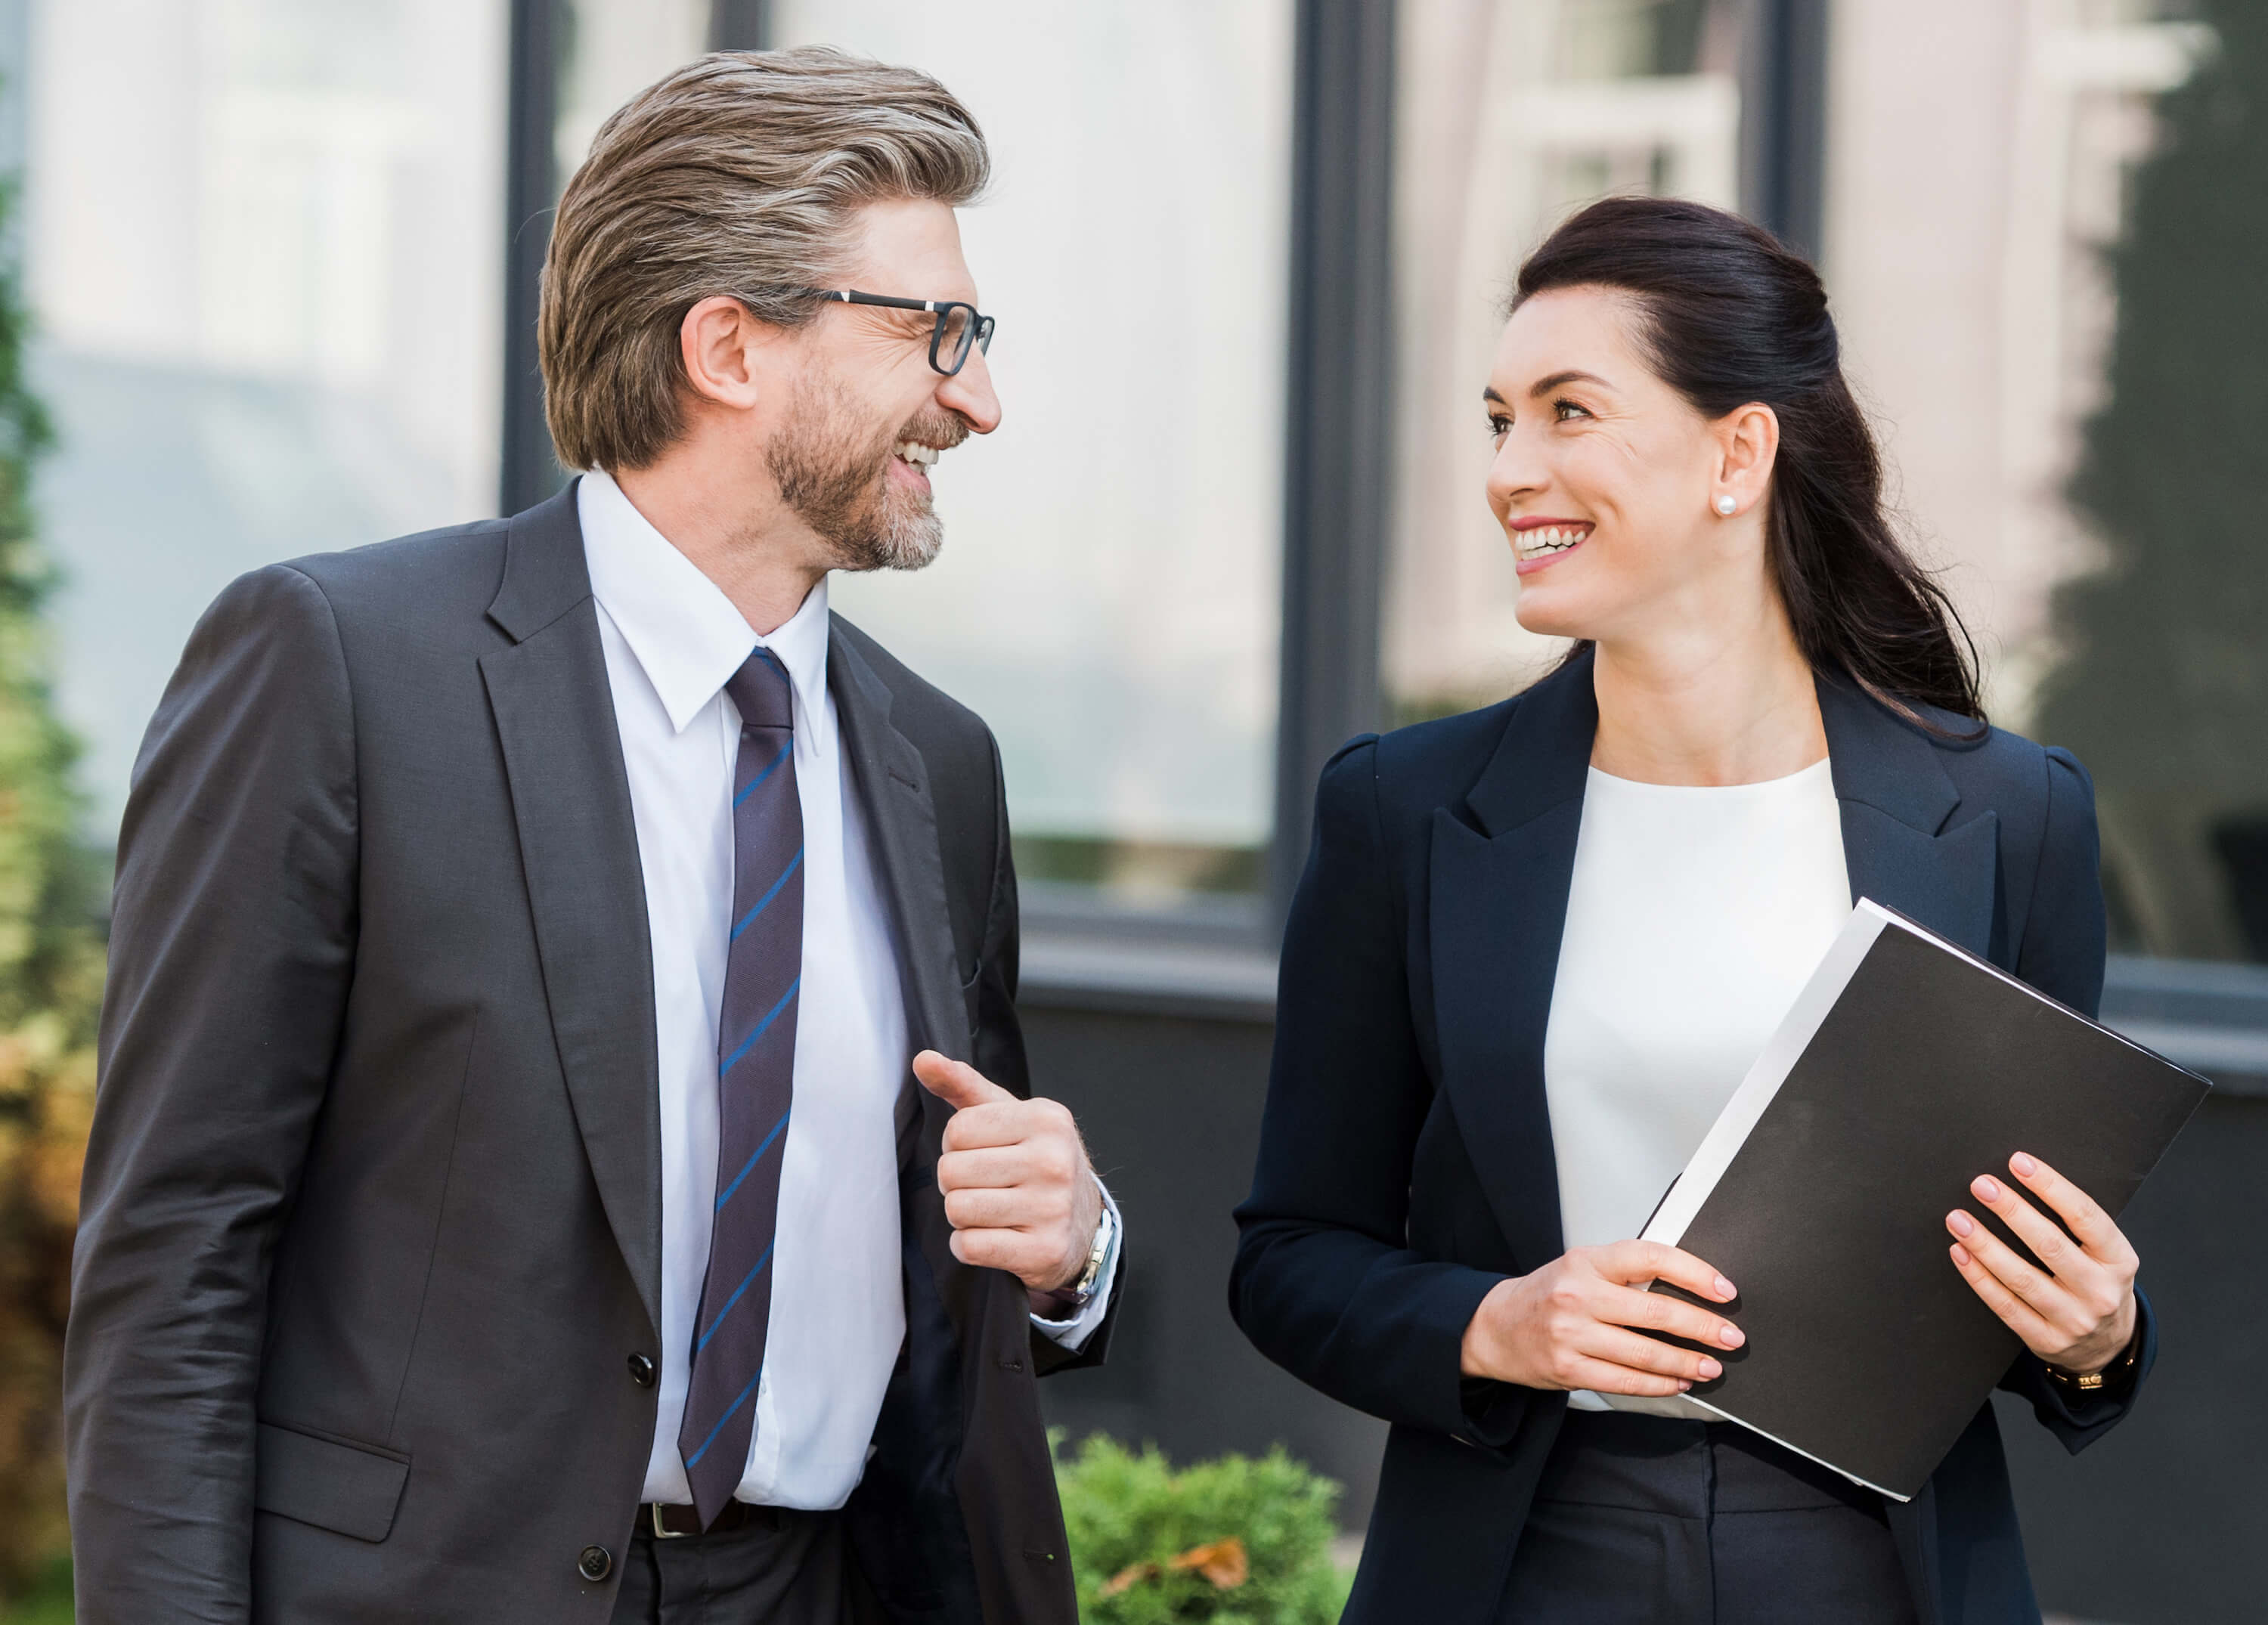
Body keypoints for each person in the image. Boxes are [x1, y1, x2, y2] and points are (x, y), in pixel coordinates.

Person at [64, 48, 1123, 1625]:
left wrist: (1072, 1247)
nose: (977, 397)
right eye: (939, 331)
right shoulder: (342, 668)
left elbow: (947, 1259)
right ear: (728, 346)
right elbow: (177, 1255)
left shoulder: (941, 767)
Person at [1229, 195, 2152, 1625]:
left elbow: (2024, 1273)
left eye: (1569, 411)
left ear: (1740, 453)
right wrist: (1497, 1321)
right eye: (1498, 420)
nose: (1510, 470)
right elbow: (1290, 1254)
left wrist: (2096, 1333)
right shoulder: (1403, 811)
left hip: (1877, 1566)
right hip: (1523, 1555)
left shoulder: (2009, 814)